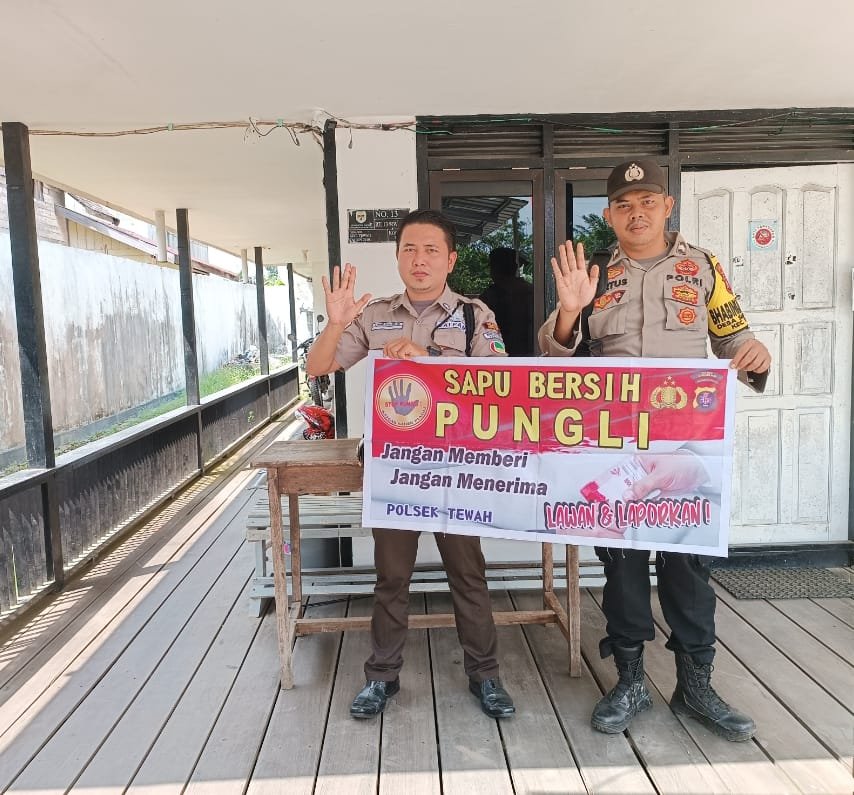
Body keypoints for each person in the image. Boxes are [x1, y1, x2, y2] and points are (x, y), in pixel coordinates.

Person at [538, 159, 771, 742]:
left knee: (688, 562)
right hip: (614, 439)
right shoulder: (592, 273)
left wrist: (753, 351)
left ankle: (696, 685)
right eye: (623, 204)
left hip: (688, 437)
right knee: (621, 561)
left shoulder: (702, 267)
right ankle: (630, 680)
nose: (636, 213)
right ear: (608, 214)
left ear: (668, 206)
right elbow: (554, 358)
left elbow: (732, 334)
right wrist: (569, 311)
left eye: (647, 201)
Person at [306, 208, 515, 720]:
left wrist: (431, 359)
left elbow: (500, 385)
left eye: (430, 250)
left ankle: (485, 675)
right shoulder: (374, 314)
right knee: (391, 577)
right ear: (398, 257)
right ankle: (382, 676)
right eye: (409, 250)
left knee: (468, 574)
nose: (419, 260)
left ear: (451, 260)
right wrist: (336, 324)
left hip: (455, 466)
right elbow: (318, 366)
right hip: (394, 467)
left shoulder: (474, 315)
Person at [479, 247, 534, 356]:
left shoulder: (489, 297)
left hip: (498, 355)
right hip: (529, 355)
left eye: (492, 267)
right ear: (515, 267)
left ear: (495, 269)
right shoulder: (532, 292)